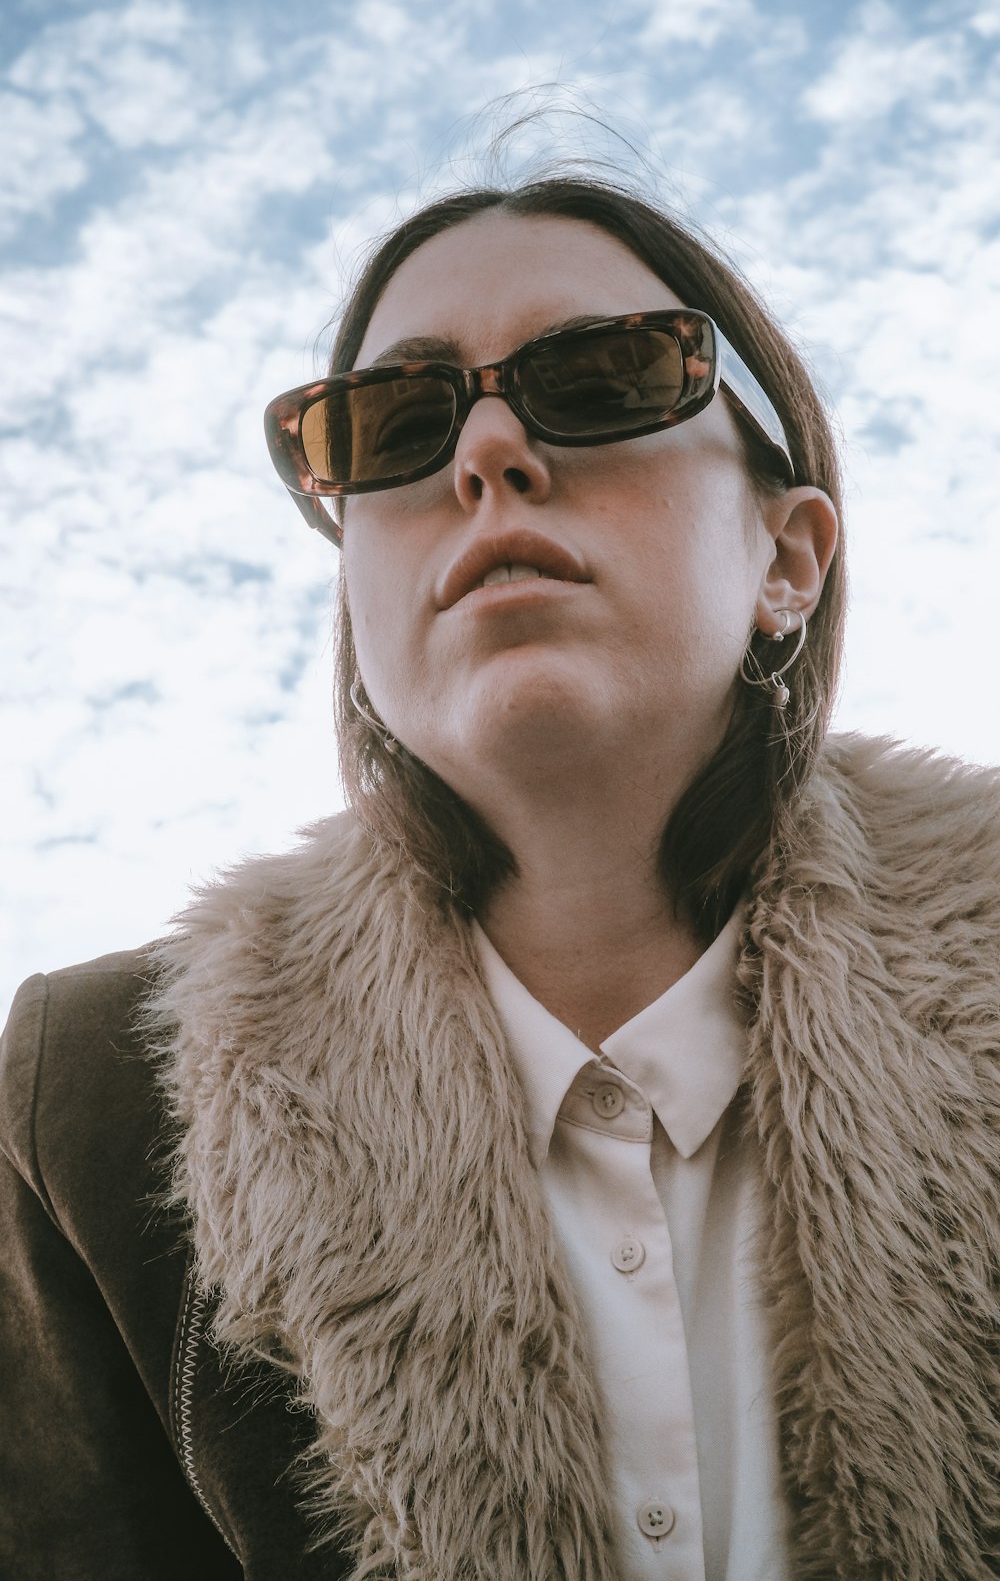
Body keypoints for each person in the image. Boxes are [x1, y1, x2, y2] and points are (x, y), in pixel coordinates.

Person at [2, 173, 998, 1581]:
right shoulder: (93, 1100)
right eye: (392, 425)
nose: (486, 453)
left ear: (788, 559)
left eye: (602, 375)